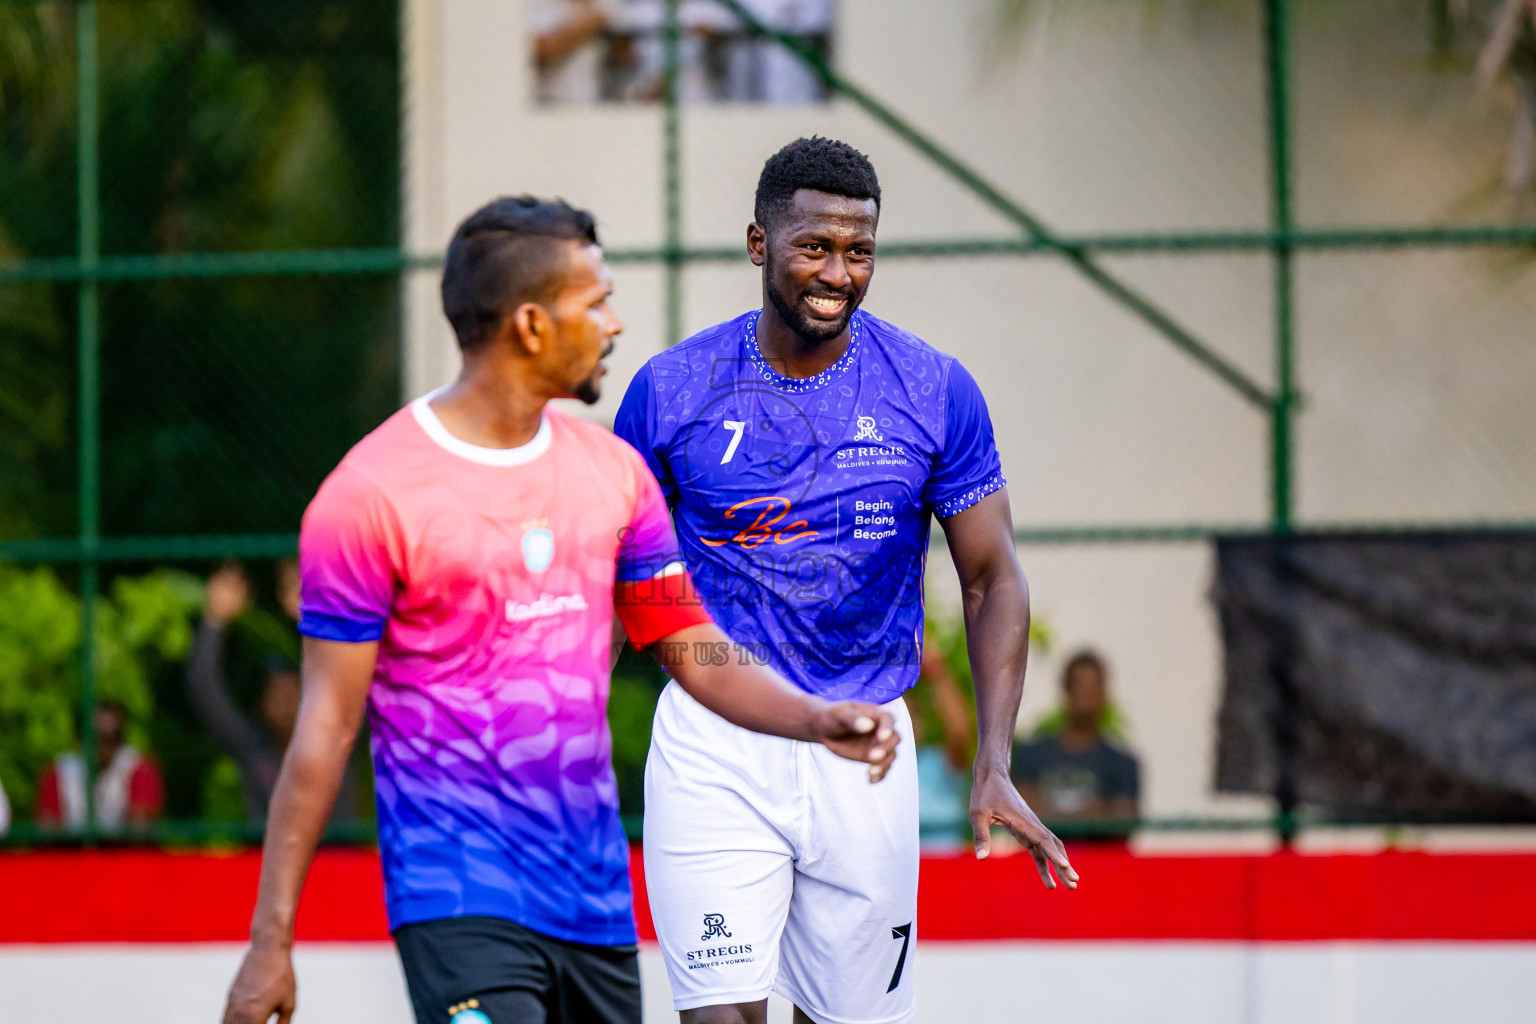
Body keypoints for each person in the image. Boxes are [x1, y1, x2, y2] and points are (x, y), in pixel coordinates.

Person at [221, 195, 901, 1024]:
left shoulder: (613, 475)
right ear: (533, 326)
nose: (614, 324)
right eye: (597, 301)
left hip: (593, 901)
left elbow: (690, 644)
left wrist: (813, 716)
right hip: (456, 894)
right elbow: (324, 728)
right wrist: (270, 941)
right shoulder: (368, 497)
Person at [615, 136, 1076, 1024]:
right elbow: (621, 576)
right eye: (814, 246)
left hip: (866, 749)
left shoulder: (935, 389)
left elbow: (992, 577)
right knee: (722, 1015)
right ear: (760, 244)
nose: (839, 271)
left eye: (859, 250)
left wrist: (994, 761)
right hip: (715, 743)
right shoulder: (670, 391)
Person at [188, 561, 357, 820]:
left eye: (293, 692)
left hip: (338, 858)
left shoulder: (335, 737)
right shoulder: (253, 745)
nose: (284, 702)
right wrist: (214, 620)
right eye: (274, 695)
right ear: (260, 705)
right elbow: (205, 689)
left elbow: (360, 675)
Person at [1012, 650, 1140, 827]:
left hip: (1098, 855)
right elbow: (1020, 813)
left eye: (1093, 686)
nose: (1086, 694)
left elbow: (1123, 821)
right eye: (1079, 685)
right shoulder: (1031, 755)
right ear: (1066, 690)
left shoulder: (1122, 763)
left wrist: (1049, 806)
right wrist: (1095, 809)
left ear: (1104, 693)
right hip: (1042, 854)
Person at [36, 699, 164, 831]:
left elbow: (140, 830)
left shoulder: (138, 768)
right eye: (97, 738)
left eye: (112, 738)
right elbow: (48, 830)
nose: (104, 748)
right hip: (73, 850)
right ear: (79, 738)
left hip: (121, 850)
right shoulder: (59, 772)